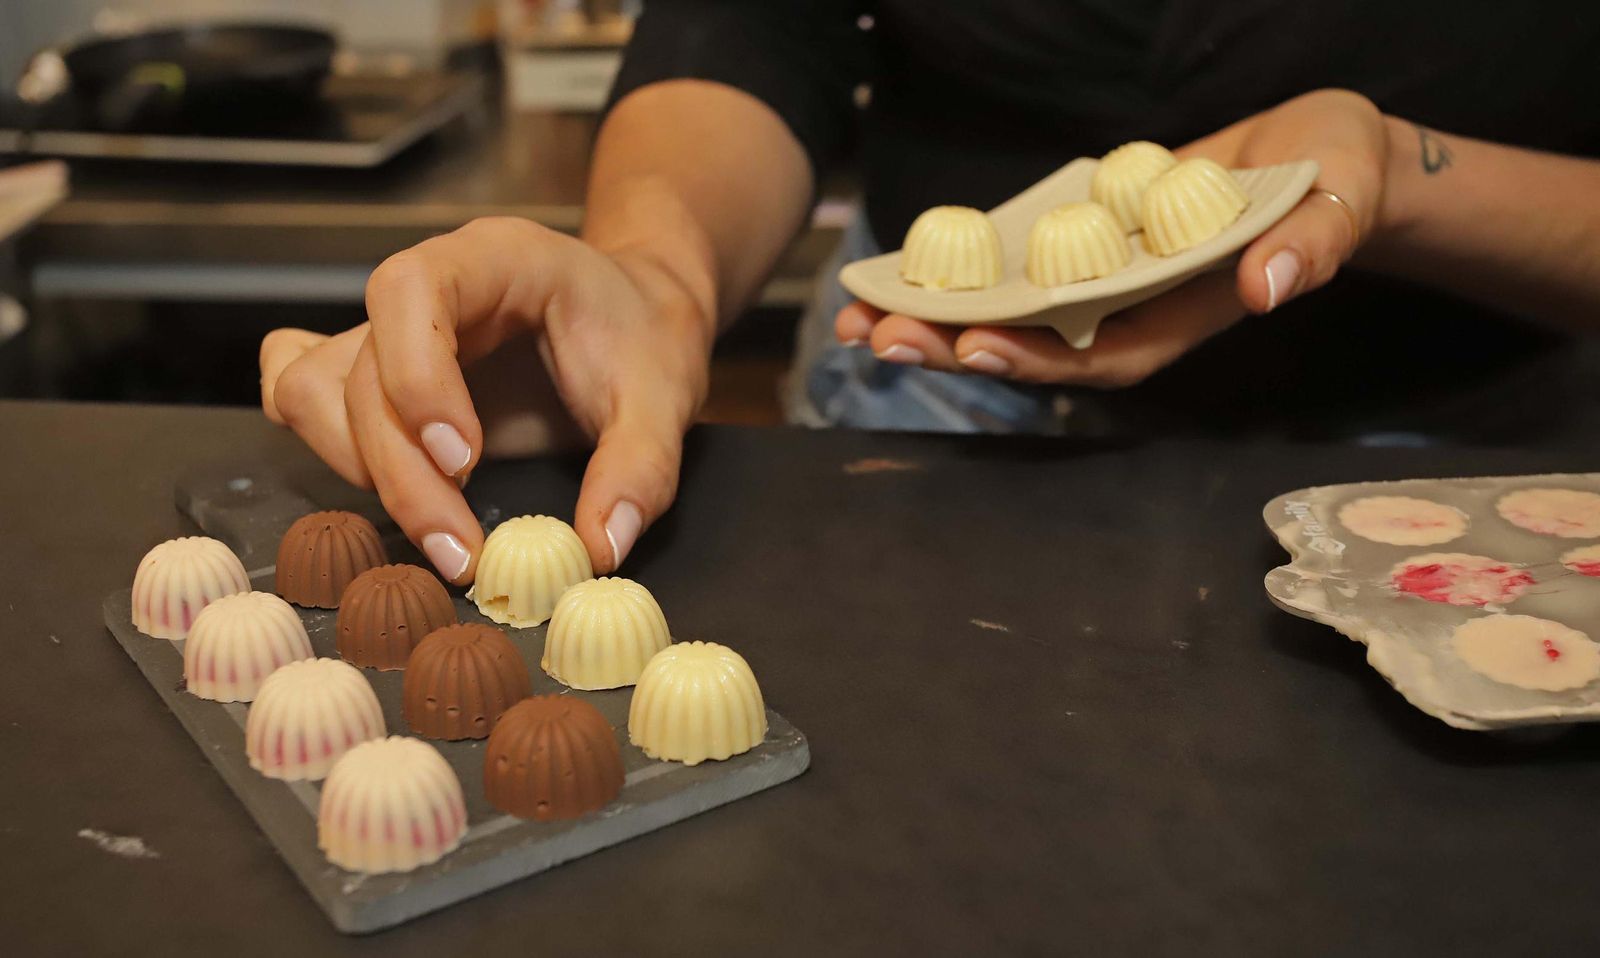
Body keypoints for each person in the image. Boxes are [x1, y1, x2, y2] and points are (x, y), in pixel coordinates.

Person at [259, 1, 1600, 586]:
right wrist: (655, 279)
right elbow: (759, 27)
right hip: (923, 400)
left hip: (1465, 467)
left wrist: (1403, 180)